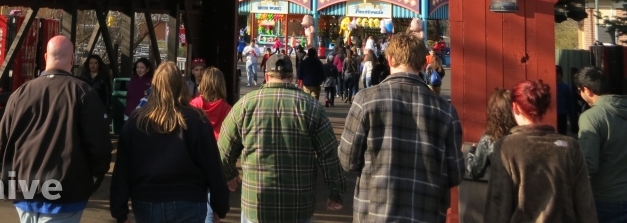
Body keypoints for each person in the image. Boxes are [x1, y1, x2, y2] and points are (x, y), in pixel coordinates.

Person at [339, 32, 463, 223]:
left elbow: (347, 161)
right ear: (423, 65)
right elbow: (456, 173)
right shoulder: (445, 110)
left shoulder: (366, 100)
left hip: (375, 212)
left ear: (390, 59)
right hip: (425, 212)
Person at [0, 36, 112, 223]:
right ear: (72, 59)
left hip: (24, 190)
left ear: (45, 56)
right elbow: (99, 145)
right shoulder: (84, 93)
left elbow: (2, 144)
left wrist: (5, 175)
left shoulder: (20, 93)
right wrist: (93, 178)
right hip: (65, 192)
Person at [219, 53, 345, 222]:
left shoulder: (244, 105)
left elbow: (223, 150)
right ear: (291, 77)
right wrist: (336, 192)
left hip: (256, 203)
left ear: (266, 76)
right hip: (298, 205)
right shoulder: (311, 106)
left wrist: (230, 175)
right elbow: (329, 154)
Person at [111, 62, 229, 223]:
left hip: (147, 200)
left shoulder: (137, 120)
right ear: (181, 86)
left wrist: (119, 210)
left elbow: (123, 166)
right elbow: (212, 164)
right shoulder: (197, 119)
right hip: (189, 199)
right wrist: (220, 205)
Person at [484, 79, 596, 223]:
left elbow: (498, 203)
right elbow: (584, 203)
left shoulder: (506, 146)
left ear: (515, 107)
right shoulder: (570, 147)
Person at [575, 66, 627, 223]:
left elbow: (588, 165)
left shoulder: (591, 117)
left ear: (587, 90)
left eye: (579, 90)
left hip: (603, 201)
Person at [190, 67, 234, 223]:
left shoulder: (193, 105)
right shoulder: (228, 109)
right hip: (217, 161)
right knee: (211, 209)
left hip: (195, 161)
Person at [465, 88, 516, 181]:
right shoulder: (522, 135)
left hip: (500, 188)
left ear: (494, 112)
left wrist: (471, 152)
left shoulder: (489, 140)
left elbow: (474, 172)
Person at [555, 65, 573, 136]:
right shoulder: (548, 86)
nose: (556, 75)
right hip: (552, 114)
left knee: (562, 134)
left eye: (558, 73)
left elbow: (570, 102)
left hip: (562, 114)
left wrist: (572, 117)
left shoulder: (566, 87)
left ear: (561, 75)